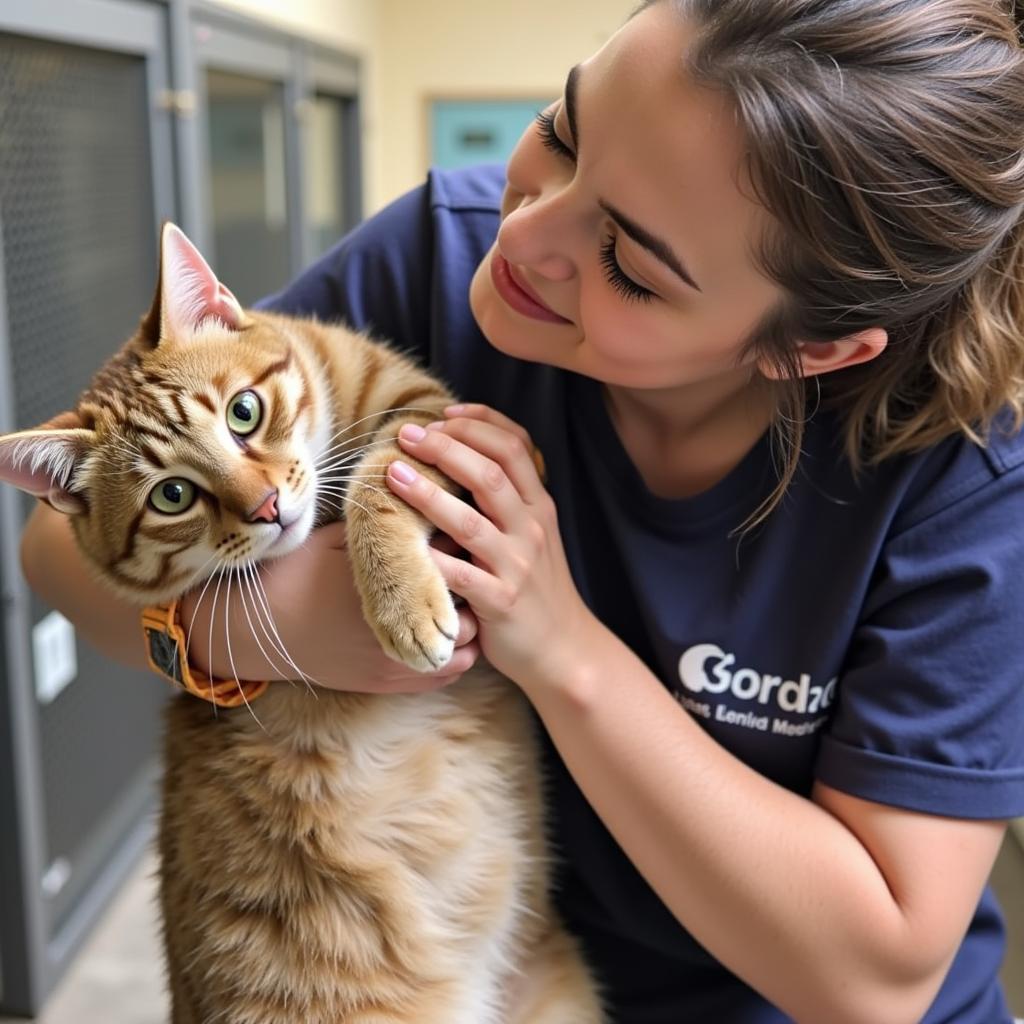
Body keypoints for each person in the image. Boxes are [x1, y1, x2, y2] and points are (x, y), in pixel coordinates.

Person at [20, 0, 1024, 1020]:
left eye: (629, 266)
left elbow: (875, 975)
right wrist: (256, 633)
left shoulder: (964, 476)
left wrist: (557, 644)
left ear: (804, 350)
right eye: (563, 131)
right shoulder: (438, 256)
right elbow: (57, 545)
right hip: (489, 960)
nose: (526, 230)